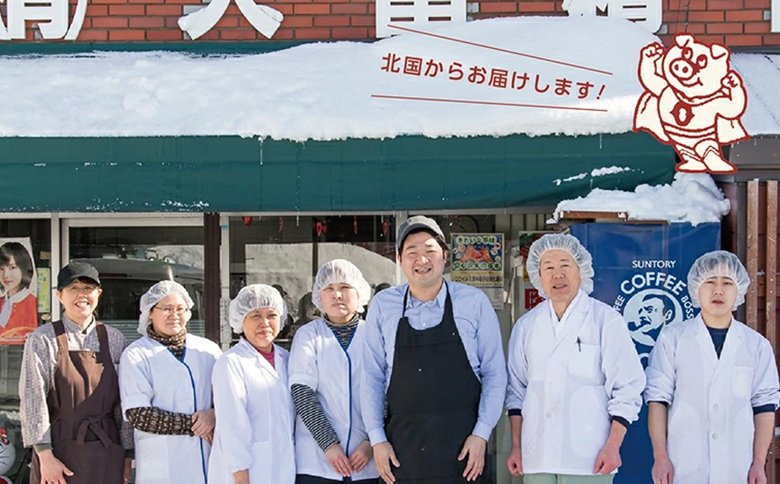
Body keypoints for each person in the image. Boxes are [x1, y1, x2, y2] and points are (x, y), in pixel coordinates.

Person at [362, 216, 506, 484]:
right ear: (399, 259)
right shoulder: (383, 305)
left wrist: (482, 433)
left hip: (464, 453)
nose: (422, 260)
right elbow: (372, 376)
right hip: (401, 453)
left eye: (430, 251)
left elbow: (495, 374)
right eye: (412, 252)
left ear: (445, 256)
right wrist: (377, 439)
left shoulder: (474, 302)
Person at [505, 234, 645, 483]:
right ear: (538, 277)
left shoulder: (605, 320)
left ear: (581, 271)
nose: (557, 275)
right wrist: (516, 445)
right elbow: (516, 391)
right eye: (548, 267)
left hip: (589, 458)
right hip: (538, 457)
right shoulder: (526, 326)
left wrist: (613, 445)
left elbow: (628, 387)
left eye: (565, 266)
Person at [645, 251, 780, 484]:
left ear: (738, 290)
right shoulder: (673, 339)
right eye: (710, 282)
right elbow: (657, 400)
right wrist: (660, 457)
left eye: (727, 283)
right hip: (684, 466)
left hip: (737, 468)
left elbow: (764, 406)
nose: (718, 290)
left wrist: (758, 463)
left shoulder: (756, 345)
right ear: (697, 288)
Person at [19, 261, 133, 484]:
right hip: (59, 448)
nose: (81, 295)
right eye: (73, 288)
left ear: (98, 294)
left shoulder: (115, 339)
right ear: (60, 295)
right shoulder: (43, 338)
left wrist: (127, 454)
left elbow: (125, 402)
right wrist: (45, 455)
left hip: (107, 447)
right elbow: (33, 399)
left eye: (87, 288)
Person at [119, 280, 222, 484]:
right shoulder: (136, 355)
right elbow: (139, 415)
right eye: (166, 309)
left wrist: (214, 414)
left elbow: (227, 396)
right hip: (160, 465)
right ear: (149, 312)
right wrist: (197, 425)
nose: (174, 315)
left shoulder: (208, 350)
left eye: (180, 309)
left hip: (209, 460)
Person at [289, 259, 379, 484]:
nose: (337, 294)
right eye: (329, 289)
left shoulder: (376, 335)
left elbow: (387, 390)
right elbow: (302, 392)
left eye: (345, 287)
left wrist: (371, 441)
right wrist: (328, 444)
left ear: (360, 294)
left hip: (367, 459)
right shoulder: (308, 335)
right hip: (318, 461)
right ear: (320, 297)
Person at [208, 284, 296, 484]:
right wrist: (241, 476)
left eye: (271, 315)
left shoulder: (288, 359)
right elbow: (232, 425)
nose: (265, 323)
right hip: (245, 472)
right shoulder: (231, 362)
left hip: (283, 465)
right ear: (241, 321)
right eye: (255, 316)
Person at [0, 242, 38, 344]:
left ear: (24, 269)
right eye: (1, 269)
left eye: (12, 268)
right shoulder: (1, 302)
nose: (6, 275)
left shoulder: (32, 302)